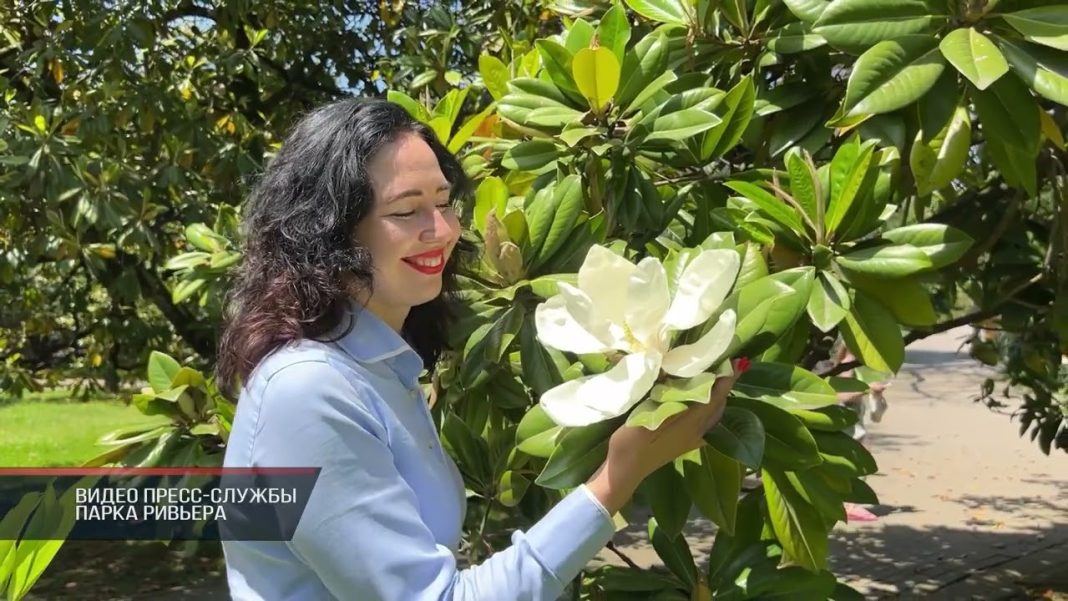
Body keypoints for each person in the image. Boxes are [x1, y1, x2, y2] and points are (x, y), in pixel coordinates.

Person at [214, 97, 742, 601]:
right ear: (328, 233)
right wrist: (613, 482)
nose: (441, 230)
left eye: (444, 203)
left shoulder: (380, 369)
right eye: (407, 211)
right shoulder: (307, 392)